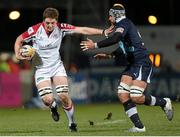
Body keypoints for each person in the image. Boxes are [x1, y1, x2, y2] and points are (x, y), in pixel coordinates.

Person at [14, 7, 111, 132]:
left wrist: (103, 32)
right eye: (47, 23)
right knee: (47, 100)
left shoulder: (61, 28)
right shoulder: (34, 30)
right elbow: (19, 40)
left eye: (52, 23)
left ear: (56, 21)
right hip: (41, 69)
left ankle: (72, 123)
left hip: (57, 67)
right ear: (43, 21)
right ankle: (53, 107)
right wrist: (17, 54)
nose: (50, 25)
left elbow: (82, 29)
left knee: (64, 95)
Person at [81, 3, 173, 132]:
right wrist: (107, 56)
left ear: (115, 15)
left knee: (136, 96)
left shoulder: (124, 23)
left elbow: (116, 38)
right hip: (132, 64)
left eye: (110, 16)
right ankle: (139, 127)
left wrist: (95, 45)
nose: (109, 18)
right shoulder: (124, 25)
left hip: (141, 63)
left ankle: (164, 102)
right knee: (122, 94)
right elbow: (122, 48)